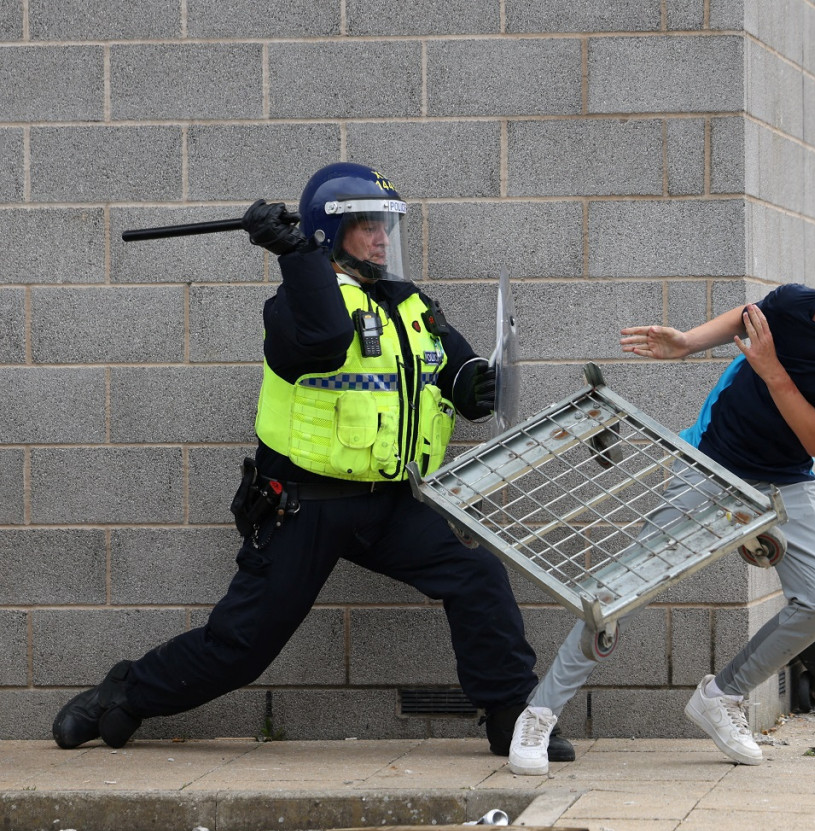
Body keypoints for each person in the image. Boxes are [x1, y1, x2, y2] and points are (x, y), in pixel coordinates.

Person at [51, 162, 574, 763]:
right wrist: (293, 254)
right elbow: (324, 339)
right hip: (303, 506)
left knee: (477, 576)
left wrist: (475, 386)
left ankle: (510, 720)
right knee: (241, 646)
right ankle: (124, 694)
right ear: (330, 234)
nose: (382, 237)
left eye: (386, 224)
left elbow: (452, 370)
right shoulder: (293, 308)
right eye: (367, 225)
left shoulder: (410, 304)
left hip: (387, 504)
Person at [504, 238, 815, 774]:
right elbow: (745, 317)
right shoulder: (797, 304)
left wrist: (771, 371)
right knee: (623, 588)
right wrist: (687, 342)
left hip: (787, 476)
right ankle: (538, 714)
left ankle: (722, 696)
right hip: (712, 459)